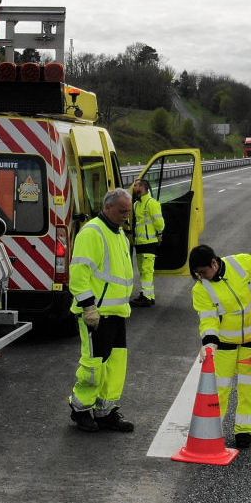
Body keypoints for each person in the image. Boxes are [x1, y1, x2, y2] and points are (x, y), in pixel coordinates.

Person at [188, 244, 251, 449]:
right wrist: (209, 343)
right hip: (225, 344)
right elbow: (208, 319)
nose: (202, 277)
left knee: (249, 386)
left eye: (203, 272)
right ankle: (213, 431)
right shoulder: (201, 289)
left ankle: (244, 430)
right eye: (197, 274)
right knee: (219, 389)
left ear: (214, 263)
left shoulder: (240, 262)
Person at [68, 188, 135, 433]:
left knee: (115, 365)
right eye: (121, 211)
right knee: (93, 365)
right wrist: (88, 307)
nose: (126, 216)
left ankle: (105, 410)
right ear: (107, 207)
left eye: (128, 211)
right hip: (97, 314)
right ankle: (81, 409)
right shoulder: (92, 232)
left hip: (117, 313)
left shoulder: (119, 234)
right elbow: (78, 276)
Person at [129, 178, 164, 307]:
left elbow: (159, 223)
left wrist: (159, 234)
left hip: (149, 242)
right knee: (142, 271)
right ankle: (147, 294)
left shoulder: (152, 203)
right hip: (139, 243)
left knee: (147, 270)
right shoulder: (136, 204)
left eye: (136, 185)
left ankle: (147, 297)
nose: (134, 188)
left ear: (144, 187)